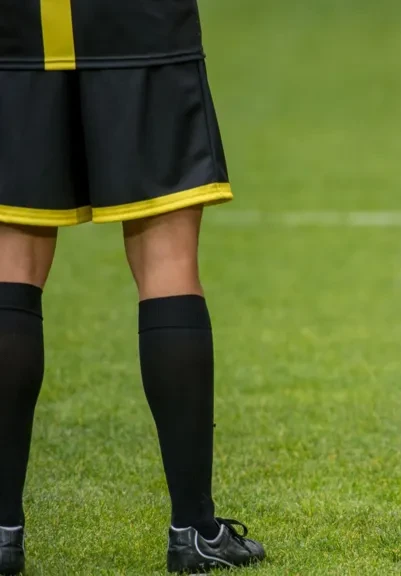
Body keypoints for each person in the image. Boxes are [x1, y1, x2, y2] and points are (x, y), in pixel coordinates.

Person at [0, 2, 265, 573]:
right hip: (137, 22)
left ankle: (0, 532)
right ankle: (193, 531)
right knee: (168, 259)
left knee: (9, 262)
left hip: (17, 28)